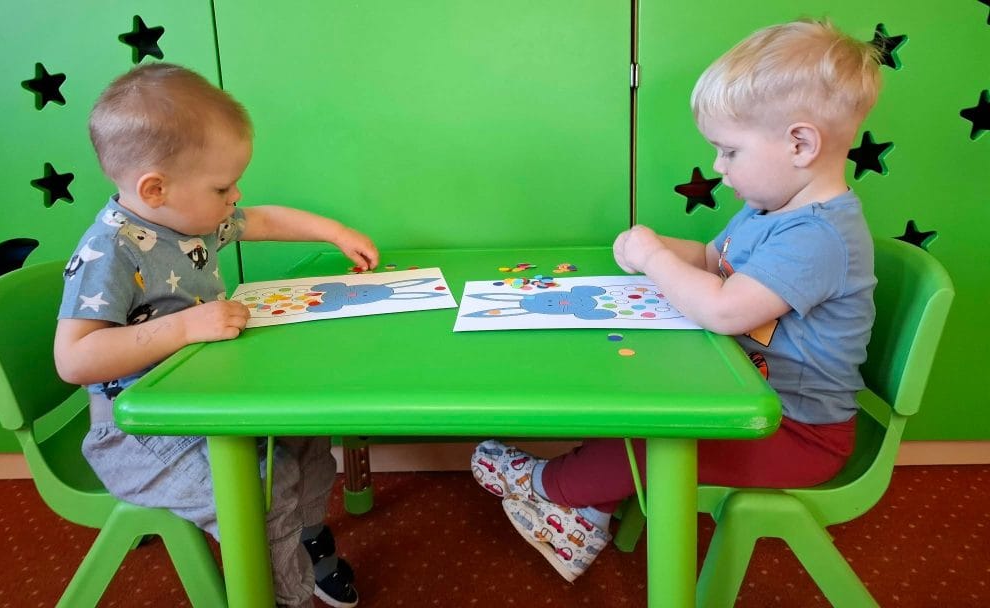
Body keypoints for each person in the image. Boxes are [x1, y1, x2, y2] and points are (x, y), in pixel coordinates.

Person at [472, 18, 883, 582]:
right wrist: (662, 247)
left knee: (654, 443)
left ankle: (550, 488)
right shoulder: (770, 209)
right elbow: (715, 260)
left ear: (800, 144)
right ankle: (584, 517)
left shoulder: (817, 237)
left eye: (729, 151)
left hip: (794, 434)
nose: (718, 167)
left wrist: (654, 260)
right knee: (635, 408)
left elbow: (724, 308)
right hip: (745, 397)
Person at [54, 62, 379, 608]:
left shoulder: (188, 218)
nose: (236, 196)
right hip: (138, 432)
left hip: (206, 400)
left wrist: (335, 231)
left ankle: (306, 541)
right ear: (155, 188)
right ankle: (285, 594)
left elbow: (262, 220)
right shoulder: (109, 250)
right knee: (263, 492)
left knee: (305, 433)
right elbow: (74, 359)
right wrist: (183, 326)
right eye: (223, 187)